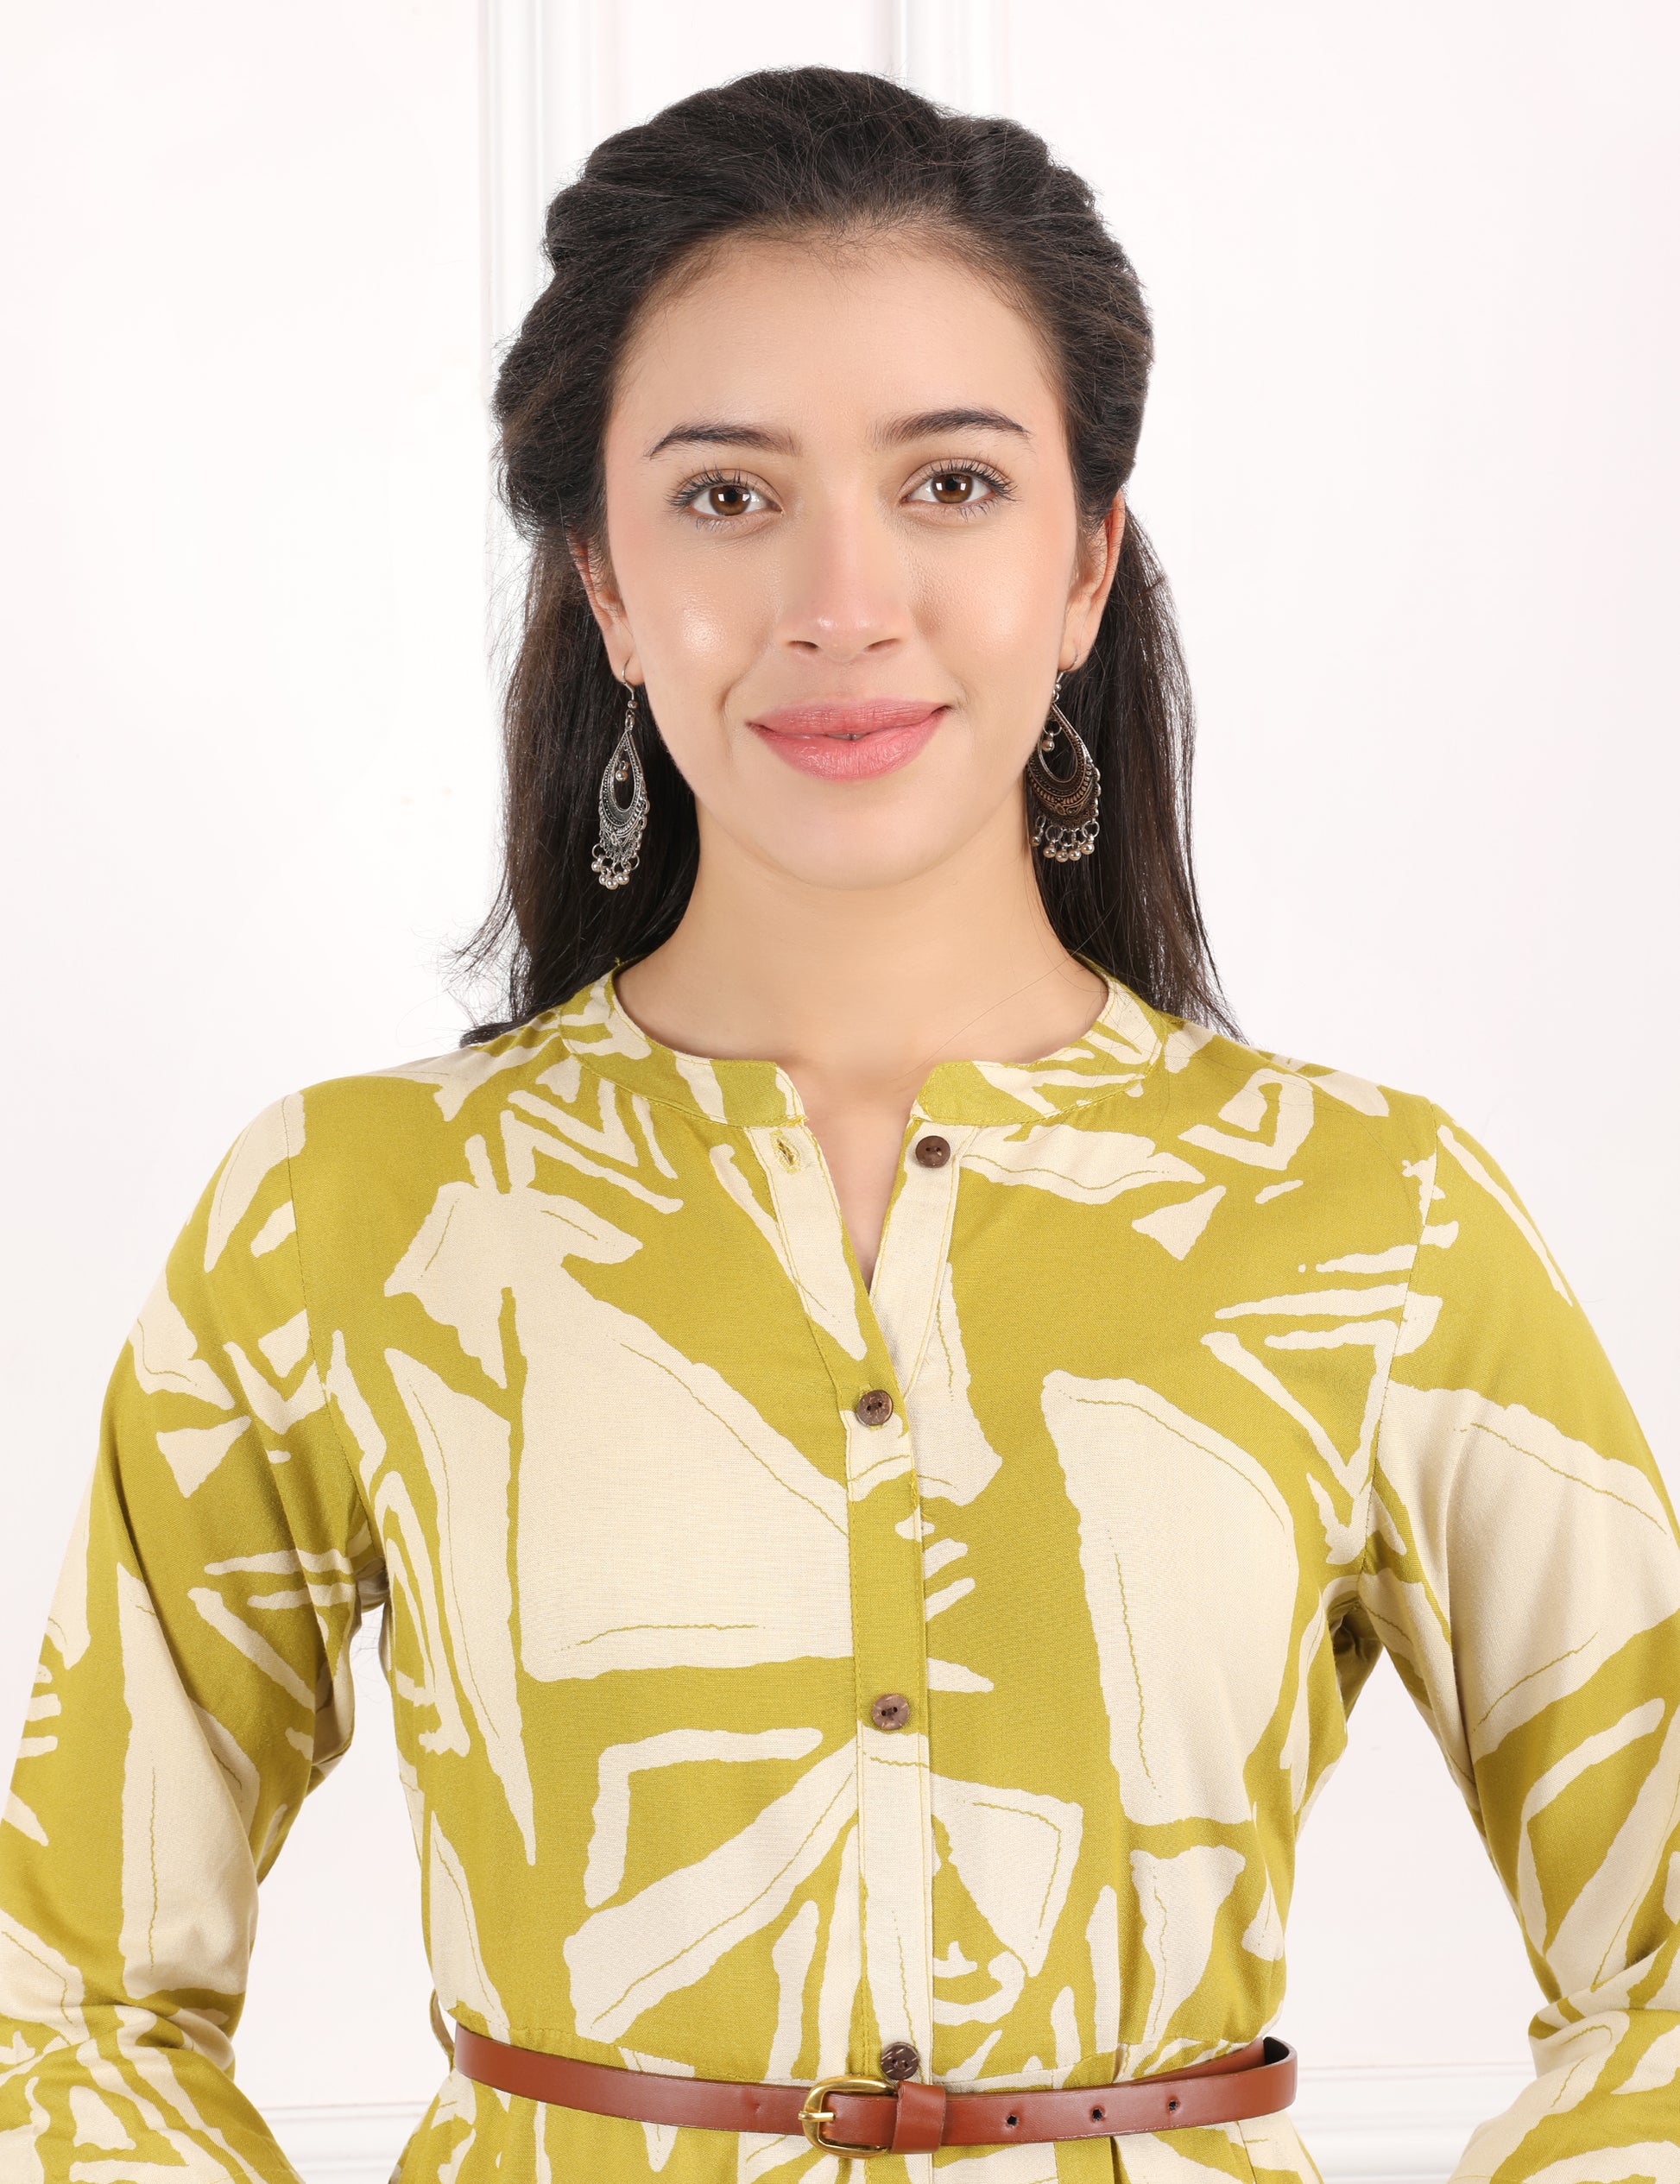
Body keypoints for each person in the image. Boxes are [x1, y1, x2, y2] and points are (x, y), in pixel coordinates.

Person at [2, 62, 1676, 2184]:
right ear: (605, 583)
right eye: (726, 495)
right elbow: (66, 1992)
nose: (844, 597)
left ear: (1086, 564)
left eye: (951, 483)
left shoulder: (1371, 1217)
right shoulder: (348, 1213)